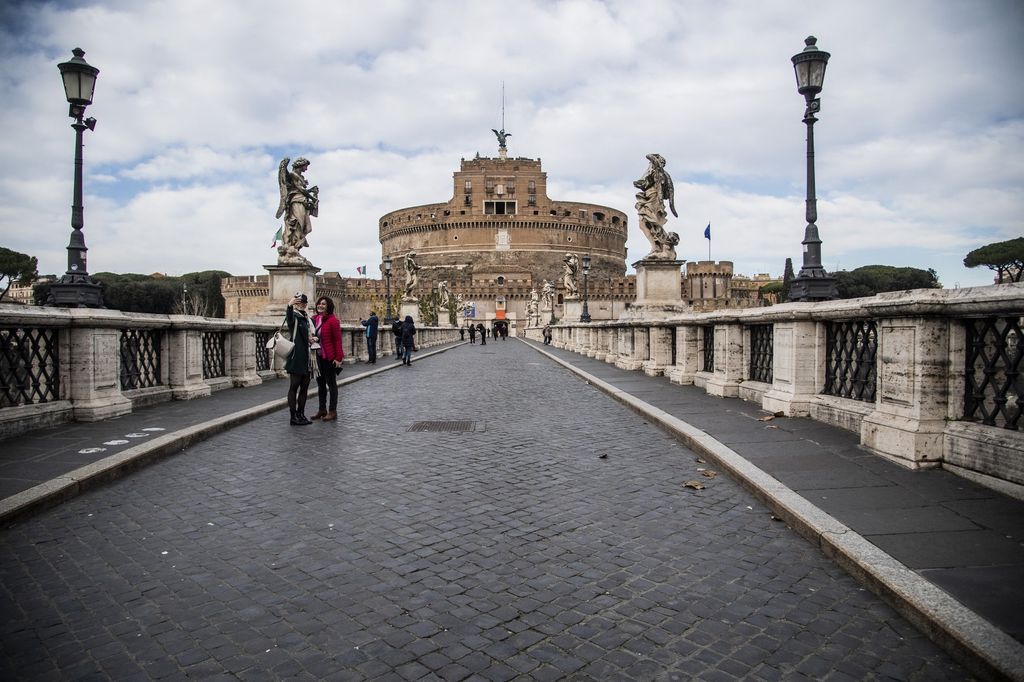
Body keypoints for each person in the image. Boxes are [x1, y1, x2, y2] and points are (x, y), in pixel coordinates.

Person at [311, 296, 344, 421]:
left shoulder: (333, 321)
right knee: (320, 384)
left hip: (329, 357)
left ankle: (332, 410)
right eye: (319, 303)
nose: (320, 305)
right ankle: (322, 409)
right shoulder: (314, 319)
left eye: (323, 304)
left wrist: (338, 357)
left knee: (331, 384)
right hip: (318, 357)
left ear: (328, 306)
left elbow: (337, 340)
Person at [284, 293, 314, 425]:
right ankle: (293, 416)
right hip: (297, 356)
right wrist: (289, 306)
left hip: (308, 357)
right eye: (298, 302)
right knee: (294, 386)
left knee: (305, 387)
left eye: (303, 302)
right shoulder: (295, 317)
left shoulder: (306, 318)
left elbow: (312, 333)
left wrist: (314, 338)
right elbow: (289, 319)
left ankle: (301, 414)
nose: (301, 304)